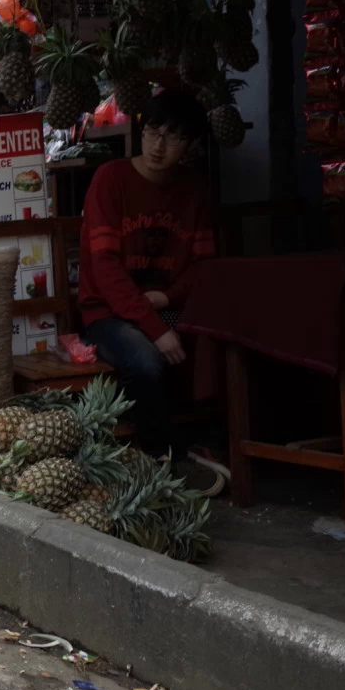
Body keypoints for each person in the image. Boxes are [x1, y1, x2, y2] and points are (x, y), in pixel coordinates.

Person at [78, 88, 220, 492]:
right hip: (109, 313)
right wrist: (155, 325)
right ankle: (165, 457)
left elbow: (204, 267)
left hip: (166, 308)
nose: (160, 145)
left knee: (217, 345)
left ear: (189, 145)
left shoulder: (193, 190)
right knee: (145, 360)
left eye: (173, 137)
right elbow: (104, 269)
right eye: (154, 131)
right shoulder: (111, 180)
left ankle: (210, 444)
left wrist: (166, 300)